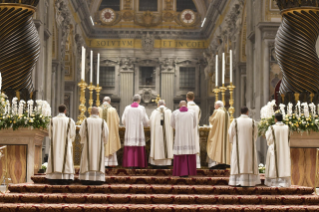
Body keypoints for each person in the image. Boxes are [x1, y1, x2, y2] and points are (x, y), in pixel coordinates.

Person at [228, 107, 261, 186]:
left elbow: (230, 134)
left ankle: (237, 181)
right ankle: (250, 181)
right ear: (247, 112)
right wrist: (252, 141)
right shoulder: (253, 122)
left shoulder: (235, 122)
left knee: (239, 162)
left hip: (238, 146)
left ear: (240, 112)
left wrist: (234, 142)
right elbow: (255, 135)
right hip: (250, 147)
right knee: (249, 162)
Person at [46, 104, 76, 185]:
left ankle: (54, 178)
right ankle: (65, 178)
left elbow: (50, 134)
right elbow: (72, 134)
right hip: (66, 145)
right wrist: (69, 141)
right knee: (66, 158)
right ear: (65, 111)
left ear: (58, 110)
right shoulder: (70, 121)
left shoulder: (52, 120)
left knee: (55, 157)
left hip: (55, 145)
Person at [79, 107, 109, 185]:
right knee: (97, 160)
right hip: (99, 145)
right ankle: (98, 179)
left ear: (90, 113)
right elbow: (106, 134)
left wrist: (83, 141)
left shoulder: (86, 121)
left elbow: (81, 133)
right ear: (98, 113)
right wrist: (104, 142)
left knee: (87, 160)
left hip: (88, 145)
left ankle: (86, 178)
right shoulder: (102, 122)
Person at [122, 94, 149, 168]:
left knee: (130, 144)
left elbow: (123, 120)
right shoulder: (141, 108)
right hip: (139, 131)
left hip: (130, 131)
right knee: (139, 144)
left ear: (132, 100)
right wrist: (146, 125)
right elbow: (145, 121)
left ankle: (130, 164)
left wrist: (127, 125)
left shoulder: (127, 108)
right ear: (139, 100)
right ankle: (139, 164)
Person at [171, 100, 197, 177]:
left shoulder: (175, 113)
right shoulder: (192, 112)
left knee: (180, 152)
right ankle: (188, 171)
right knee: (188, 151)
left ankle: (180, 171)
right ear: (186, 105)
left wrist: (178, 128)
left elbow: (172, 124)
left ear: (179, 105)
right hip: (189, 136)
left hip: (179, 136)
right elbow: (194, 124)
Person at [265, 112, 291, 187]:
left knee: (274, 163)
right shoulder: (287, 127)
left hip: (274, 150)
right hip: (284, 150)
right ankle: (283, 182)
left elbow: (269, 140)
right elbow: (288, 140)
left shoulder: (272, 128)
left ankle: (274, 182)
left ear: (275, 119)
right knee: (283, 163)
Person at [207, 100, 231, 169]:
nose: (214, 106)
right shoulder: (226, 112)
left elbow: (212, 120)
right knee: (223, 146)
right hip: (224, 134)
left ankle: (216, 162)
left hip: (217, 134)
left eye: (215, 105)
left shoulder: (217, 112)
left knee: (216, 145)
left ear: (218, 106)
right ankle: (223, 161)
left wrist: (210, 118)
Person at [149, 100, 173, 168]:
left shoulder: (154, 112)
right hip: (167, 134)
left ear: (158, 105)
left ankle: (156, 163)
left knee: (156, 145)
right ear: (164, 104)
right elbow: (173, 122)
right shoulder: (169, 112)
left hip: (157, 134)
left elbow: (150, 122)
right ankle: (166, 163)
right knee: (167, 143)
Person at [98, 96, 121, 168]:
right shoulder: (113, 110)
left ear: (102, 101)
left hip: (100, 134)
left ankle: (100, 163)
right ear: (109, 102)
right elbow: (117, 122)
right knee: (110, 145)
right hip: (110, 134)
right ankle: (110, 162)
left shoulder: (98, 109)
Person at [186, 91, 201, 169]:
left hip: (186, 129)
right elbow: (198, 118)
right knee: (194, 144)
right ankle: (196, 164)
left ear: (187, 98)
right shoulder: (197, 107)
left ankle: (187, 163)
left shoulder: (185, 107)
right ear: (194, 98)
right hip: (195, 129)